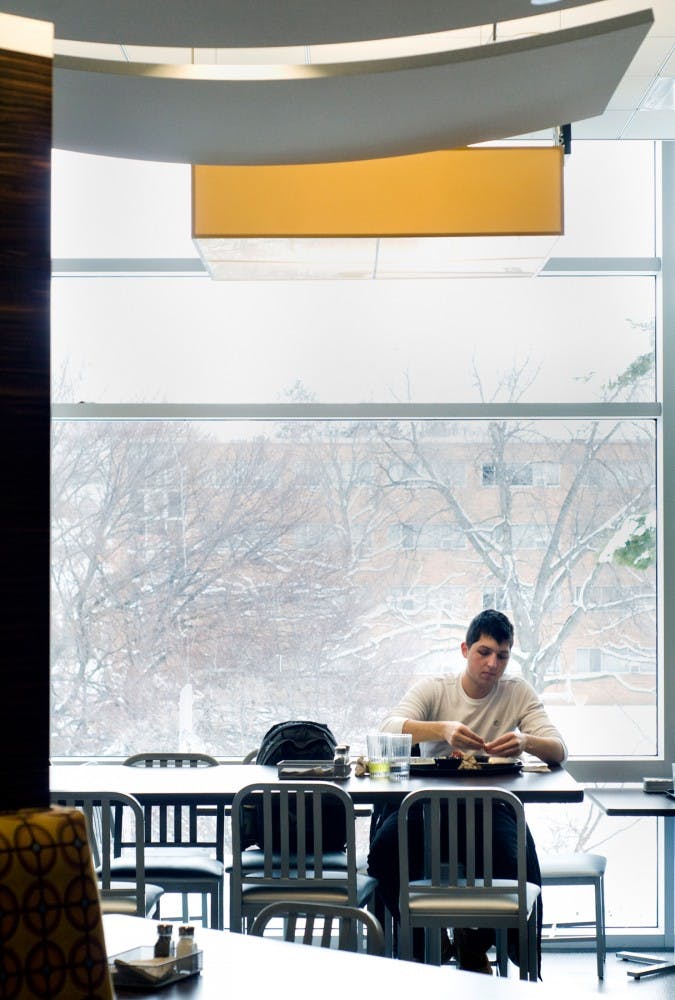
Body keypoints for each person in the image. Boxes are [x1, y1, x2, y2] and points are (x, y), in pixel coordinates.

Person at [367, 608, 567, 975]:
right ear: (465, 649)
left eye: (502, 656)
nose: (493, 663)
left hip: (490, 808)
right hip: (425, 808)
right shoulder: (435, 688)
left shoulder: (516, 692)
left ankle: (474, 942)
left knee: (518, 864)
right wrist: (441, 729)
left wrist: (525, 740)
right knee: (383, 853)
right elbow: (388, 726)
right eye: (484, 652)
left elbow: (558, 749)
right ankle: (428, 936)